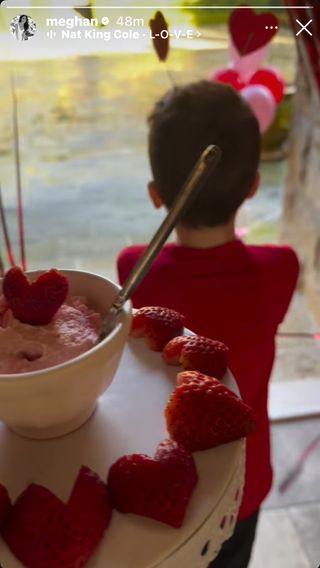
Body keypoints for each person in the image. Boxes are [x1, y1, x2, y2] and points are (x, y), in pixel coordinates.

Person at [117, 81, 299, 568]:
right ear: (254, 186)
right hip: (244, 478)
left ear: (157, 196)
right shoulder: (281, 268)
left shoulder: (134, 266)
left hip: (166, 482)